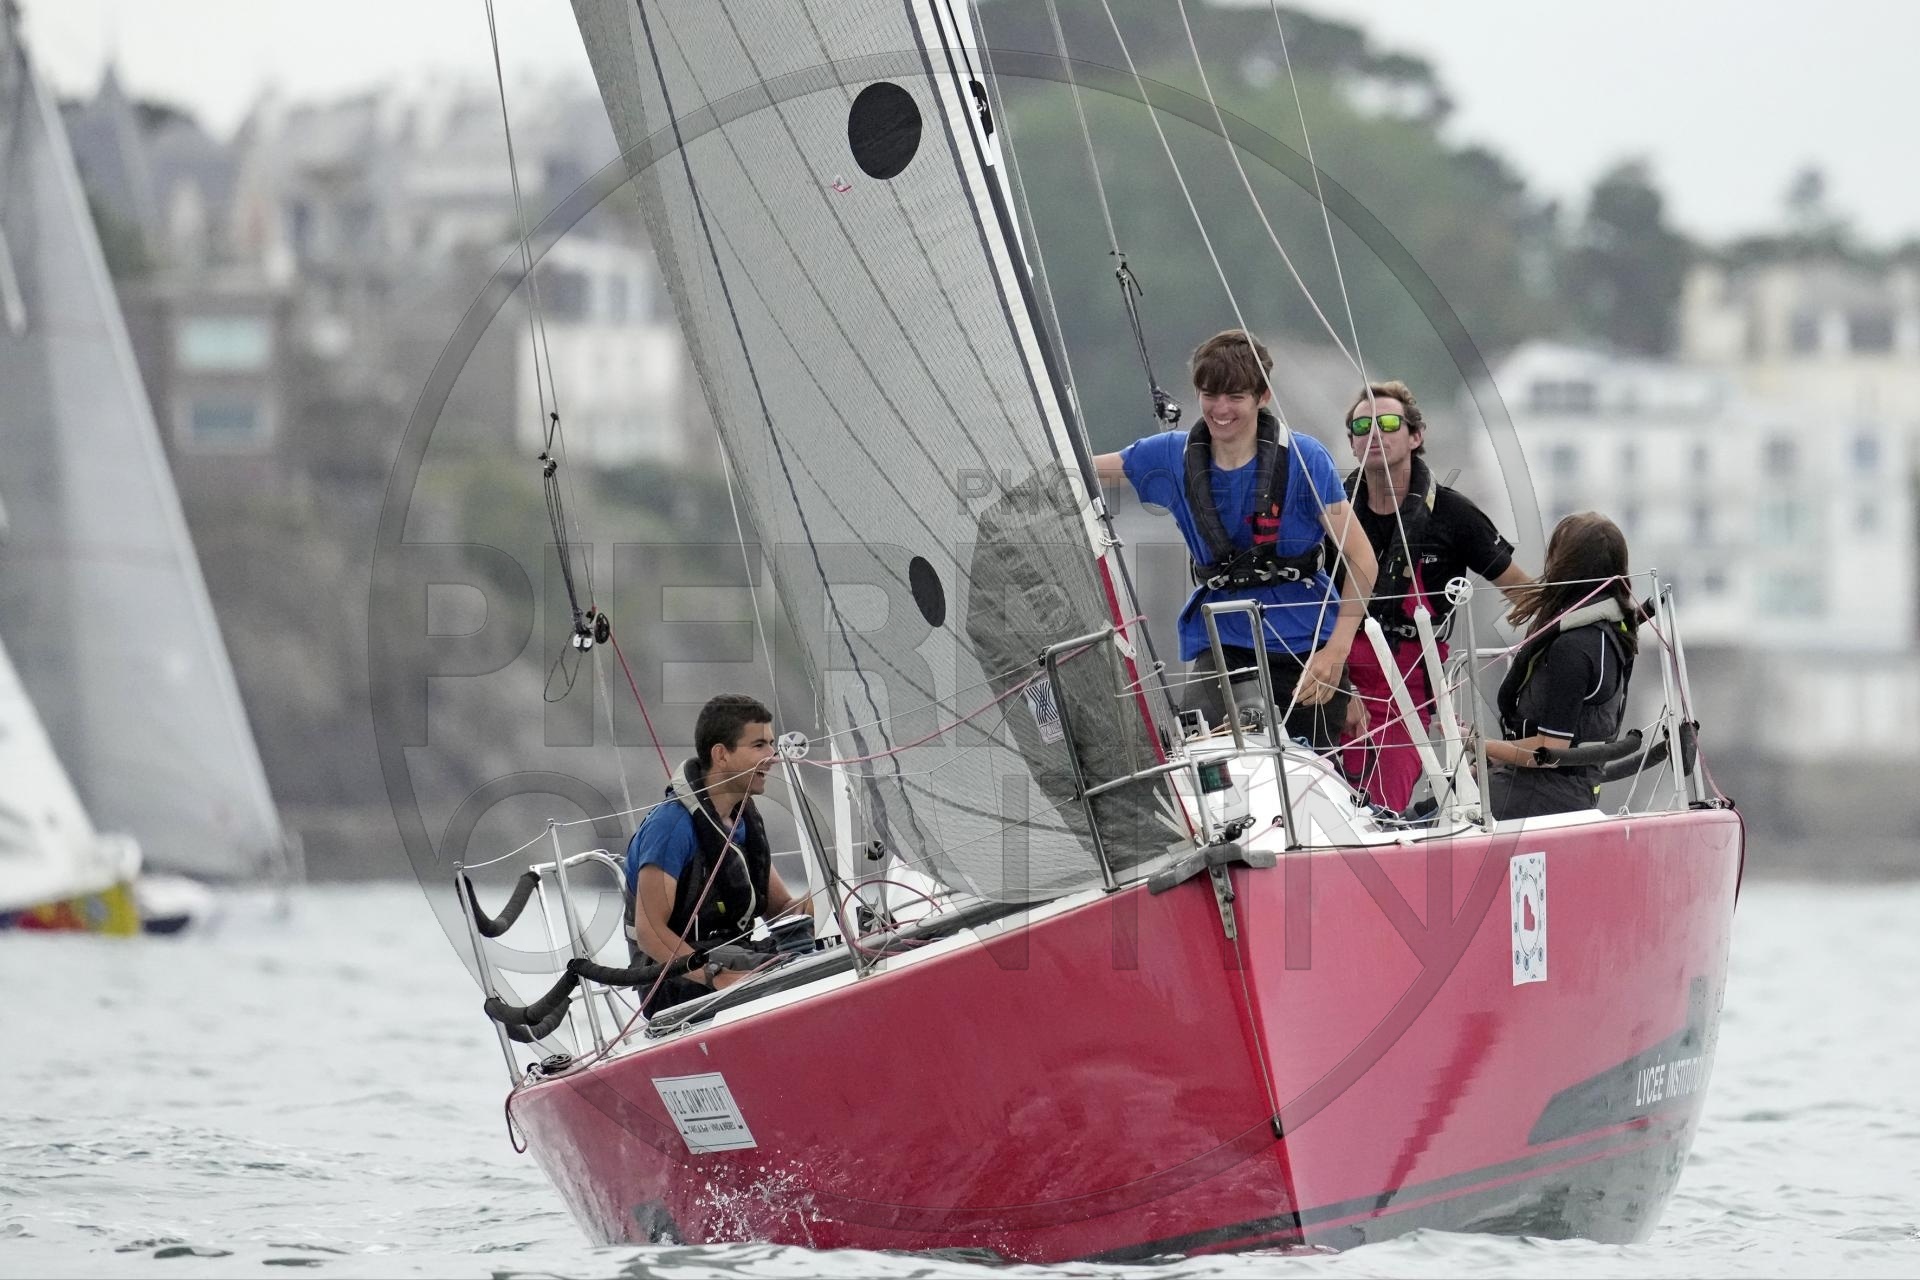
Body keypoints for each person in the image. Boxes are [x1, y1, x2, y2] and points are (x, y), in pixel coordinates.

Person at [1094, 329, 1376, 750]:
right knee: (1201, 756)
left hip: (1308, 646)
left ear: (1263, 397)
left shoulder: (1306, 458)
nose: (1221, 409)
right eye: (1210, 395)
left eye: (1235, 397)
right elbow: (1082, 469)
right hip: (1223, 643)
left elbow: (1362, 558)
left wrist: (1336, 652)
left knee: (1309, 771)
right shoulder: (1169, 456)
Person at [1336, 381, 1533, 811]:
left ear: (1415, 436)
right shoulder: (1333, 511)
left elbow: (1525, 592)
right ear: (1351, 443)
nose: (1375, 433)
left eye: (1389, 423)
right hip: (1337, 678)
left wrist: (1574, 628)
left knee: (1381, 806)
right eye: (1362, 426)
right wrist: (1337, 685)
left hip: (1407, 685)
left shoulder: (1453, 514)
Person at [623, 694, 807, 1004]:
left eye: (772, 744)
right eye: (759, 745)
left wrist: (831, 894)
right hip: (673, 979)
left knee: (812, 952)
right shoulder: (670, 827)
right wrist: (716, 975)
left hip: (735, 954)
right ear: (721, 755)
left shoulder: (741, 820)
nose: (773, 756)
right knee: (792, 971)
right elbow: (650, 933)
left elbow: (780, 911)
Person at [1476, 513, 1638, 821]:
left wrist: (1482, 746)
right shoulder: (1608, 635)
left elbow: (1550, 751)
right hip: (1562, 789)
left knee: (1423, 815)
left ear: (1568, 567)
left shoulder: (1572, 648)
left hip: (1543, 795)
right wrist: (1490, 756)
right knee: (1442, 797)